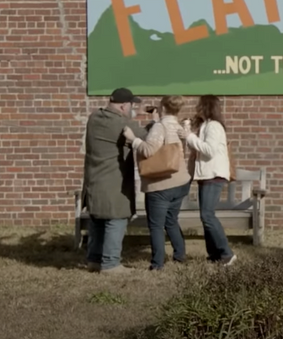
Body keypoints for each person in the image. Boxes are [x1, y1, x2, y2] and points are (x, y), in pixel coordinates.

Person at [81, 87, 149, 274]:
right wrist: (157, 122)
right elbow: (145, 137)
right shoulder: (119, 123)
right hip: (114, 181)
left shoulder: (94, 118)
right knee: (116, 219)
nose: (132, 109)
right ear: (124, 105)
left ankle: (94, 260)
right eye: (131, 106)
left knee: (98, 220)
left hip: (94, 180)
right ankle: (111, 263)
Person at [123, 95, 191, 271]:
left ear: (162, 107)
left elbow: (149, 150)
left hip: (161, 184)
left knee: (156, 225)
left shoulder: (160, 127)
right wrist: (155, 123)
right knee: (171, 220)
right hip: (180, 181)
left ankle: (157, 263)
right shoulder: (178, 126)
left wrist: (133, 139)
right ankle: (180, 255)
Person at [179, 95, 237, 266]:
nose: (197, 109)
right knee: (205, 216)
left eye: (200, 106)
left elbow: (209, 150)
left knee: (207, 215)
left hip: (214, 175)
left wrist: (189, 136)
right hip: (206, 175)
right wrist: (188, 135)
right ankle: (214, 254)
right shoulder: (206, 126)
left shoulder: (214, 126)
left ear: (207, 107)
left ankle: (226, 253)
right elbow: (197, 148)